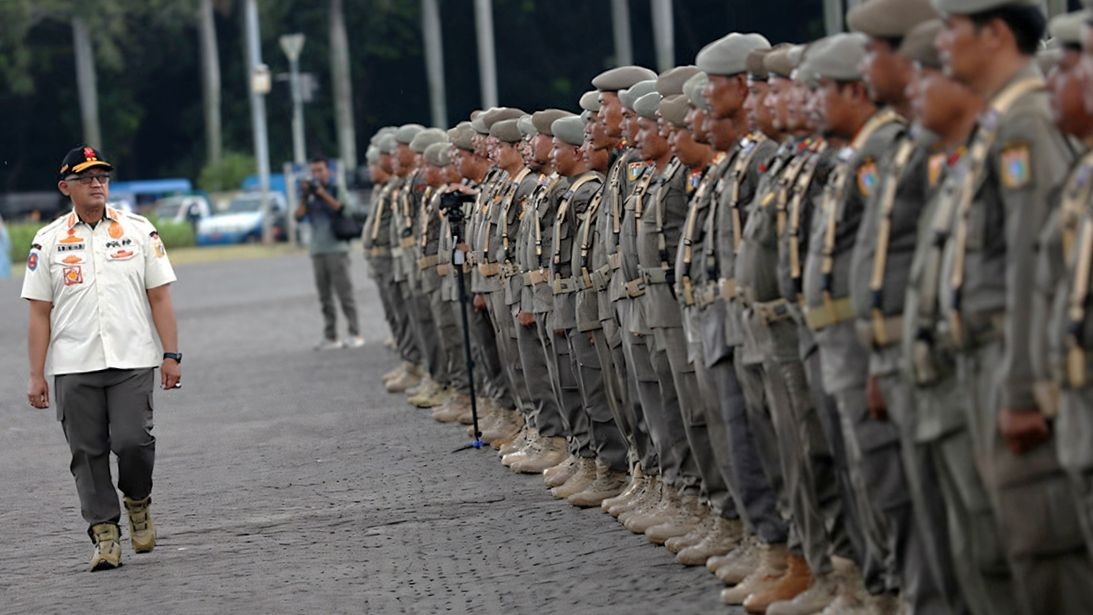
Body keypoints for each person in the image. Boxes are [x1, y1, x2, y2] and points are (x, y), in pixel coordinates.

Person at [22, 145, 181, 572]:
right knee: (87, 455)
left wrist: (171, 355)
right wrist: (36, 375)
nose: (97, 184)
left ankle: (138, 499)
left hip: (131, 359)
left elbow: (160, 296)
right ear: (65, 187)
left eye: (103, 177)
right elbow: (40, 312)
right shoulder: (49, 240)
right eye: (87, 177)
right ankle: (105, 535)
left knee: (133, 442)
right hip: (74, 364)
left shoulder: (138, 230)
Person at [294, 155, 365, 350]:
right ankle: (331, 335)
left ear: (328, 171)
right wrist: (305, 196)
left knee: (345, 293)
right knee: (324, 296)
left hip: (337, 249)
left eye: (320, 170)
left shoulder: (335, 189)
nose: (317, 174)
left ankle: (355, 332)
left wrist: (322, 193)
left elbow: (343, 209)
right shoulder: (309, 195)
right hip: (317, 249)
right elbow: (298, 216)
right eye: (314, 171)